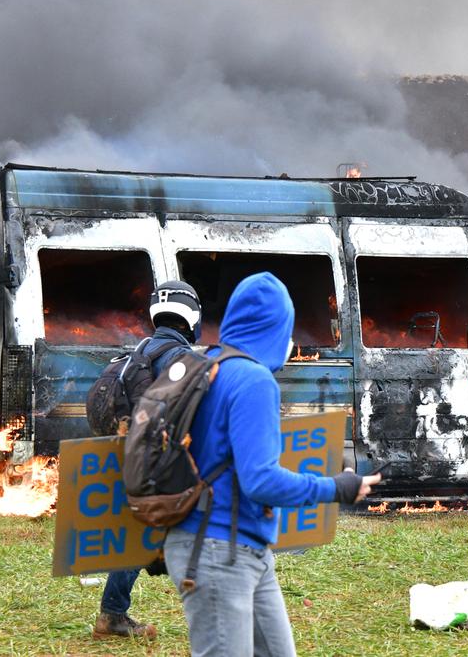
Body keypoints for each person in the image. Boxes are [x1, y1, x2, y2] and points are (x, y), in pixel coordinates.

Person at [165, 272, 381, 656]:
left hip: (245, 548)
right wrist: (335, 487)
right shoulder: (253, 380)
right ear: (275, 328)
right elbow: (260, 480)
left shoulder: (209, 364)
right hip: (218, 550)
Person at [93, 280, 204, 640]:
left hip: (135, 458)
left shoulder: (138, 352)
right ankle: (113, 615)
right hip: (165, 462)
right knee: (173, 529)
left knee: (144, 531)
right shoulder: (183, 359)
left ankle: (113, 614)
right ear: (192, 318)